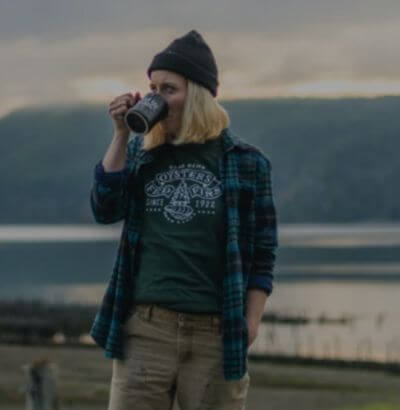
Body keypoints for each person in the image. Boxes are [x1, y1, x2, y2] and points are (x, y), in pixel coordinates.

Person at [89, 29, 278, 410]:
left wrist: (251, 321)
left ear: (198, 94)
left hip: (216, 335)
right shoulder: (143, 154)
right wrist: (121, 136)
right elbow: (104, 209)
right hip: (145, 330)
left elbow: (264, 251)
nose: (157, 98)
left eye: (168, 89)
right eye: (152, 87)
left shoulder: (247, 161)